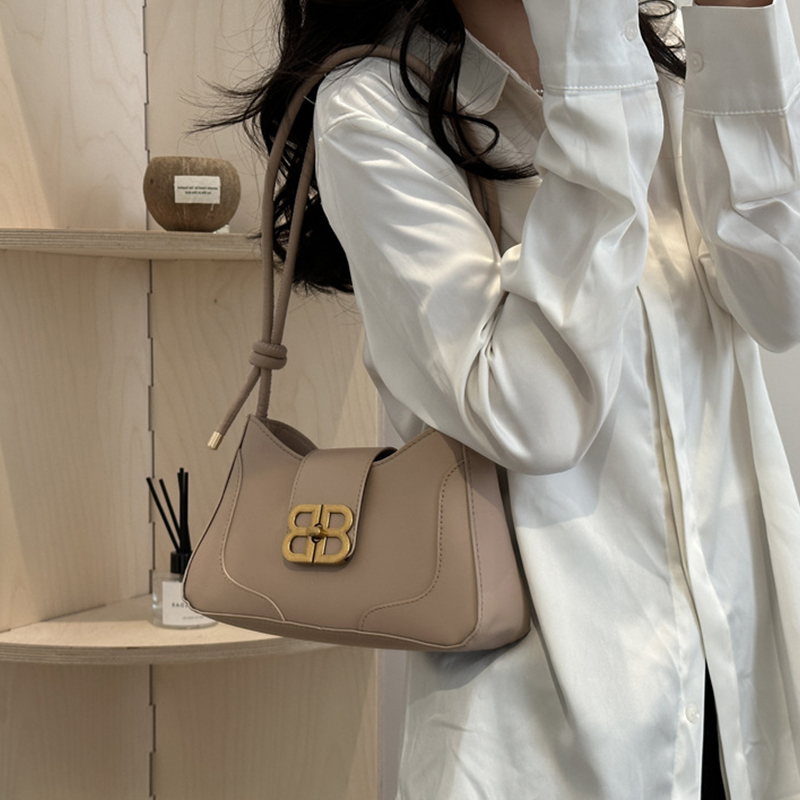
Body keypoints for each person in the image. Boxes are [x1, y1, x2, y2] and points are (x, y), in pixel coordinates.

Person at [213, 0, 800, 796]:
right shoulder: (373, 107)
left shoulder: (669, 52)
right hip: (545, 738)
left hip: (741, 695)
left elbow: (779, 300)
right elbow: (534, 414)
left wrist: (742, 21)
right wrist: (593, 76)